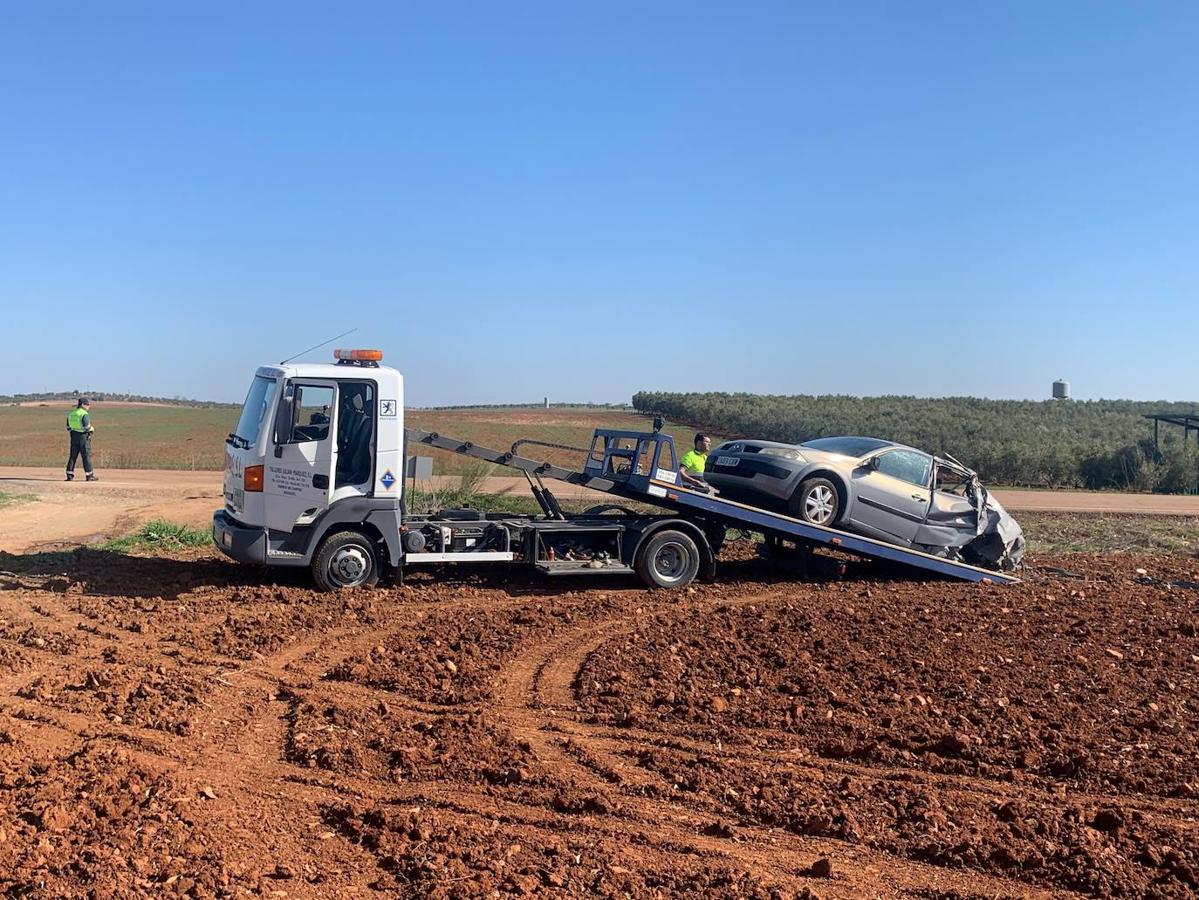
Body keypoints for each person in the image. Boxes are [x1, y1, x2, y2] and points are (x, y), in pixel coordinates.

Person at [66, 398, 99, 482]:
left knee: (73, 456)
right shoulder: (84, 414)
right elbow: (87, 427)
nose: (89, 406)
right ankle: (89, 475)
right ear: (83, 405)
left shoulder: (71, 414)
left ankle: (69, 474)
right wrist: (92, 429)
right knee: (86, 456)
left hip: (73, 436)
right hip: (83, 437)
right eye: (88, 405)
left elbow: (68, 427)